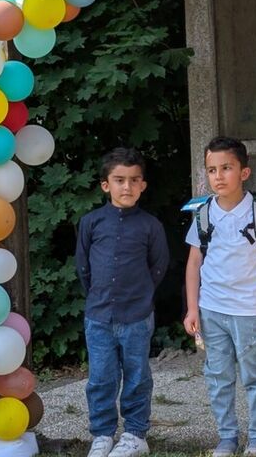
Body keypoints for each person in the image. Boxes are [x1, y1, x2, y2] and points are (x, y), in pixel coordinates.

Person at [183, 136, 256, 457]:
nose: (219, 176)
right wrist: (192, 309)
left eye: (226, 168)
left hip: (250, 309)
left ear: (244, 172)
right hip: (211, 309)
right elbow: (194, 263)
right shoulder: (203, 214)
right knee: (218, 375)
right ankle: (227, 437)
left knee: (255, 375)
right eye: (212, 170)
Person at [76, 147, 170, 457]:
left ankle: (135, 435)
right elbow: (83, 268)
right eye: (119, 180)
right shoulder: (91, 222)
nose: (127, 187)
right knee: (100, 378)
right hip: (99, 316)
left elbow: (158, 266)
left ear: (143, 185)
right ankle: (102, 434)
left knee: (137, 376)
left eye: (134, 180)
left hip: (137, 316)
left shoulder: (151, 226)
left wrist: (140, 295)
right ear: (106, 185)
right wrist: (98, 296)